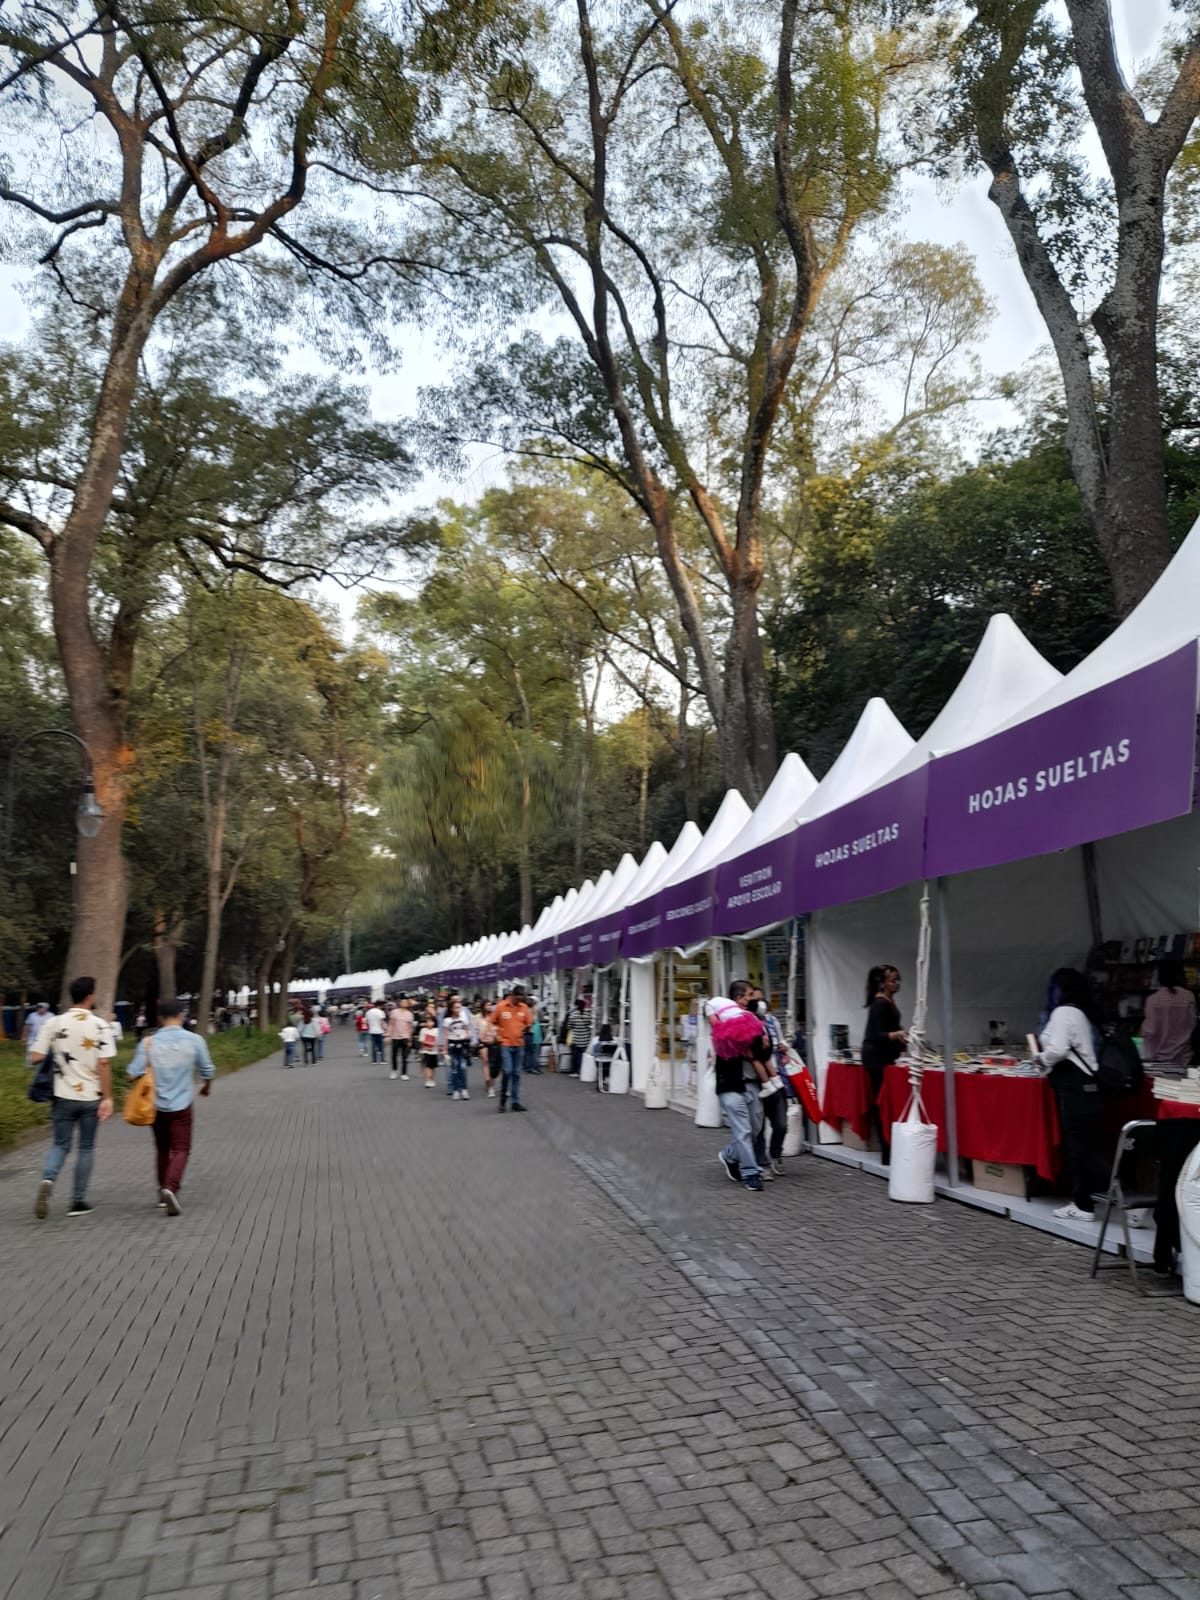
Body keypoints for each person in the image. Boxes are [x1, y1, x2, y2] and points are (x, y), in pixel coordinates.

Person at [31, 976, 115, 1220]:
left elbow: (35, 1057)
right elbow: (104, 1064)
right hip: (90, 1097)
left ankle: (48, 1179)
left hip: (62, 1095)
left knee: (60, 1144)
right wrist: (108, 1098)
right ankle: (77, 1201)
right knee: (86, 1147)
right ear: (90, 996)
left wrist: (57, 1054)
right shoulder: (100, 1025)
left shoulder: (54, 1022)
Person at [1036, 967, 1110, 1222]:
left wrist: (1040, 1058)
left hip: (1075, 1088)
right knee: (1088, 1147)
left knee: (1079, 1148)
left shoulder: (1063, 1013)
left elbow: (1057, 1049)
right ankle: (1099, 1199)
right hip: (1088, 1087)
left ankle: (1085, 1204)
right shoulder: (1081, 1013)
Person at [128, 996, 214, 1216]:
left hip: (156, 1106)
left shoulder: (148, 1043)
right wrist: (206, 1087)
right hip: (182, 1105)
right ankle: (171, 1187)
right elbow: (207, 1070)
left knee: (162, 1148)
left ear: (160, 1017)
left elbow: (133, 1073)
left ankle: (161, 1193)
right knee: (181, 1149)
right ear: (182, 1016)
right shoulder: (195, 1040)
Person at [710, 980, 767, 1192]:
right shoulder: (721, 1020)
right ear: (739, 998)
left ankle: (729, 1155)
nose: (755, 999)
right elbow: (719, 1036)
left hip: (751, 1082)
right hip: (730, 1083)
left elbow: (764, 1051)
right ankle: (751, 1173)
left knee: (754, 1128)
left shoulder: (753, 1019)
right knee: (743, 1130)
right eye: (750, 995)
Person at [861, 965, 906, 1162]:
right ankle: (887, 1150)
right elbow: (875, 1035)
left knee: (885, 1102)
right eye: (892, 980)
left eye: (897, 980)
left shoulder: (886, 1002)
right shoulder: (880, 1004)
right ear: (882, 983)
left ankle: (889, 1148)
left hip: (884, 1058)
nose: (896, 984)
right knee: (883, 1103)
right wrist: (898, 1034)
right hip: (877, 1060)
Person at [1143, 959, 1197, 1067]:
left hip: (1158, 1060)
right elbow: (1192, 1025)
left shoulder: (1153, 1000)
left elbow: (1151, 1031)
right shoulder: (1189, 996)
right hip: (1183, 1058)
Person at [493, 986, 533, 1112]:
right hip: (505, 1043)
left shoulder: (524, 1007)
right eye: (517, 998)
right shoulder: (501, 1006)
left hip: (519, 1044)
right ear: (512, 995)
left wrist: (527, 1028)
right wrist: (497, 1034)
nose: (519, 1001)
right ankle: (503, 1100)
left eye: (521, 998)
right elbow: (492, 1022)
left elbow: (529, 1022)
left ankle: (515, 1102)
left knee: (516, 1074)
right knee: (507, 1070)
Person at [442, 995, 474, 1099]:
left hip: (462, 1044)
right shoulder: (447, 1020)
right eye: (456, 1007)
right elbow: (445, 1035)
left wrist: (468, 1035)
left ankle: (464, 1089)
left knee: (463, 1067)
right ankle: (456, 1090)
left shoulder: (463, 1019)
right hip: (452, 1045)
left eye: (459, 1007)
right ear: (451, 1009)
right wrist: (444, 1049)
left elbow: (468, 1029)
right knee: (455, 1068)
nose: (458, 1009)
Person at [388, 997, 413, 1081]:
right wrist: (388, 1035)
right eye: (403, 1002)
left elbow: (410, 1027)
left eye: (406, 1002)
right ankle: (394, 1070)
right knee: (394, 1055)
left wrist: (410, 1039)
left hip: (405, 1037)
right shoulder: (394, 1012)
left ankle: (404, 1073)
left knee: (404, 1056)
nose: (404, 1003)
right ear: (400, 1003)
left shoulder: (409, 1014)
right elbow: (391, 1024)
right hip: (395, 1036)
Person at [476, 999, 497, 1096]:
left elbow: (497, 1028)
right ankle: (489, 1085)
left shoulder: (494, 1016)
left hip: (493, 1041)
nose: (488, 1007)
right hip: (483, 1042)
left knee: (493, 1064)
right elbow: (477, 1030)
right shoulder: (479, 1018)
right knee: (486, 1062)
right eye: (487, 1005)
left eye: (490, 1005)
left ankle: (491, 1082)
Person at [418, 1007, 440, 1087]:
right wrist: (428, 1044)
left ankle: (432, 1079)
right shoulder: (423, 1030)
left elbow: (438, 1040)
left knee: (433, 1067)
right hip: (425, 1050)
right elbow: (421, 1040)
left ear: (434, 1023)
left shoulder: (436, 1030)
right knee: (427, 1066)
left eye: (431, 1022)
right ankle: (427, 1080)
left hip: (434, 1051)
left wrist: (434, 1044)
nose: (429, 1023)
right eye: (427, 1022)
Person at [365, 999, 386, 1064]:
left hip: (372, 1031)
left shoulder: (368, 1012)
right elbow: (382, 1022)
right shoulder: (381, 1012)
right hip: (380, 1031)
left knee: (373, 1046)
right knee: (381, 1046)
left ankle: (374, 1060)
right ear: (380, 1005)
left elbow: (367, 1021)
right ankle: (382, 1060)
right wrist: (385, 1029)